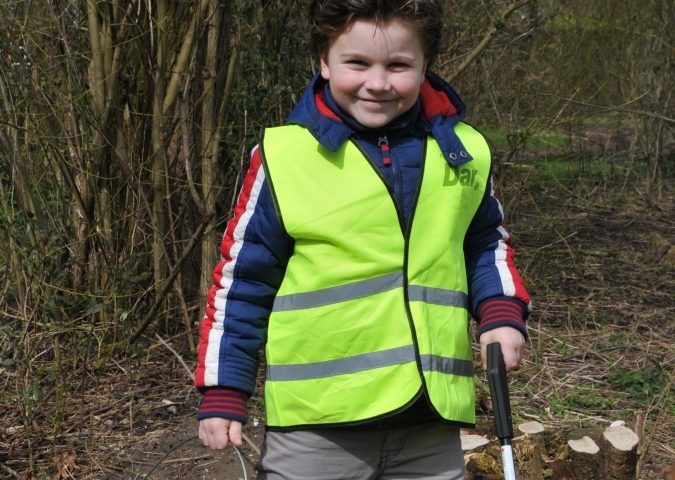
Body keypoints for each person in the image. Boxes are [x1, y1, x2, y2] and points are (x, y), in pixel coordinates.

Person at [195, 0, 531, 478]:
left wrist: (501, 311)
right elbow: (241, 282)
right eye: (357, 63)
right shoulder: (284, 157)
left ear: (425, 66)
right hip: (317, 425)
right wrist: (224, 390)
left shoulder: (466, 152)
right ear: (323, 61)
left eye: (398, 65)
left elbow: (485, 244)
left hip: (432, 420)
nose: (377, 83)